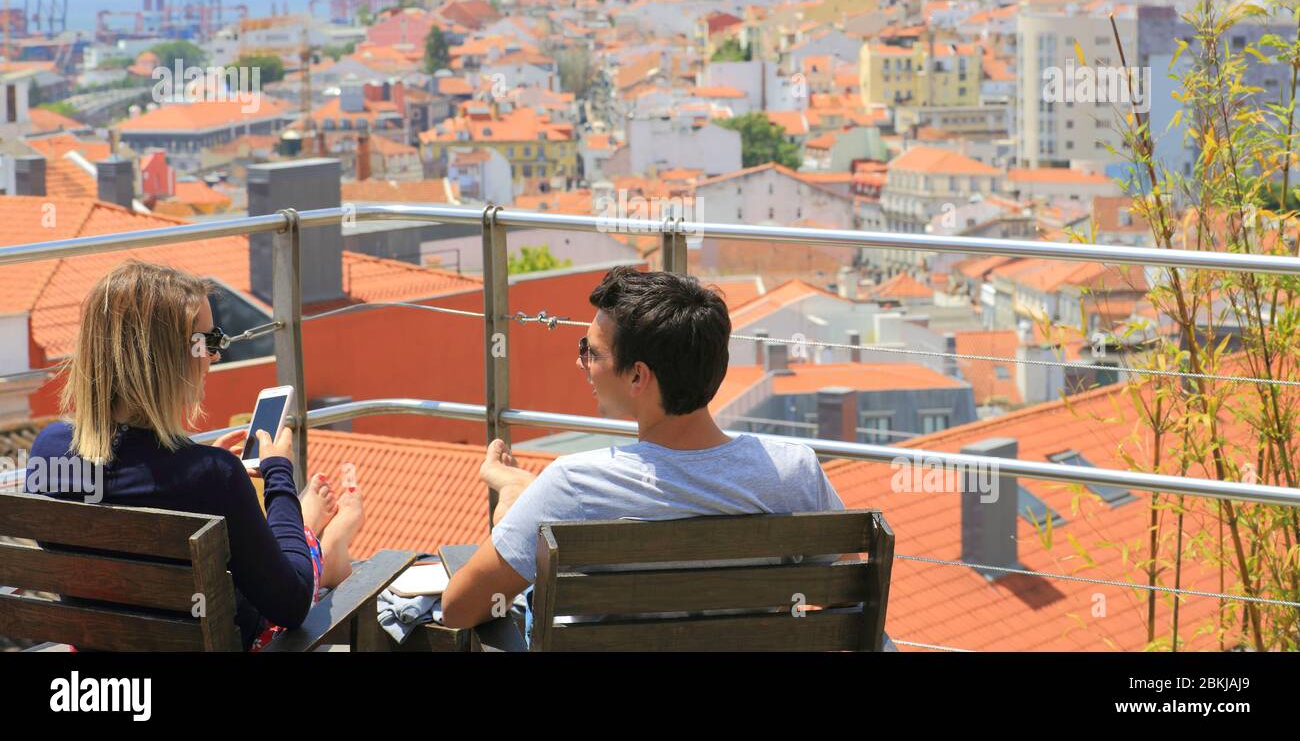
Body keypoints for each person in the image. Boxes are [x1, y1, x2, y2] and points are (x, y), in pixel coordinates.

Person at [440, 265, 845, 635]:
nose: (580, 362)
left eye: (591, 351)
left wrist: (514, 504)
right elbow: (846, 593)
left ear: (638, 376)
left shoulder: (573, 487)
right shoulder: (795, 471)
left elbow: (459, 608)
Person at [25, 260, 365, 651]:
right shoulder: (213, 476)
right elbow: (291, 605)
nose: (215, 355)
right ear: (170, 356)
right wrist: (279, 476)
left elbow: (131, 484)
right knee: (300, 561)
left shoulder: (48, 450)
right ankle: (315, 536)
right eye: (209, 340)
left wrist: (200, 472)